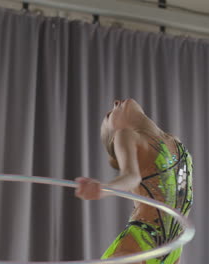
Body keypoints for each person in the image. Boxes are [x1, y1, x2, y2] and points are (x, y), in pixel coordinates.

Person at [75, 99, 193, 264]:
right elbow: (131, 177)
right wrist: (104, 188)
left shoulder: (175, 141)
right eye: (109, 115)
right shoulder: (126, 135)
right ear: (114, 132)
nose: (116, 102)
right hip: (138, 245)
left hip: (172, 250)